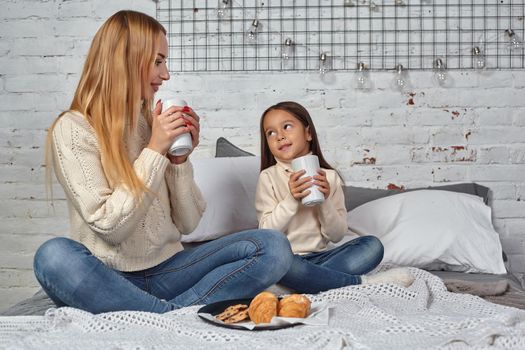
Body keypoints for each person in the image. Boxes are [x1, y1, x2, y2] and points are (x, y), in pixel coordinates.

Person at [32, 10, 293, 314]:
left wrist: (179, 160)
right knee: (52, 256)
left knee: (272, 246)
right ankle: (173, 316)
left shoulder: (149, 123)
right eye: (158, 62)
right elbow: (110, 227)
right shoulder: (74, 129)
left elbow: (188, 223)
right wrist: (155, 151)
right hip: (107, 276)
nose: (166, 75)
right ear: (125, 60)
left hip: (169, 269)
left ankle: (155, 315)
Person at [255, 101, 413, 293]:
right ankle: (359, 283)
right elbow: (266, 232)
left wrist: (325, 201)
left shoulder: (329, 178)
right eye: (270, 133)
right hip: (287, 260)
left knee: (372, 246)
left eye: (287, 127)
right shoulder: (268, 177)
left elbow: (336, 235)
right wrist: (291, 199)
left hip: (322, 257)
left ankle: (299, 284)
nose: (279, 136)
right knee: (276, 264)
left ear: (308, 133)